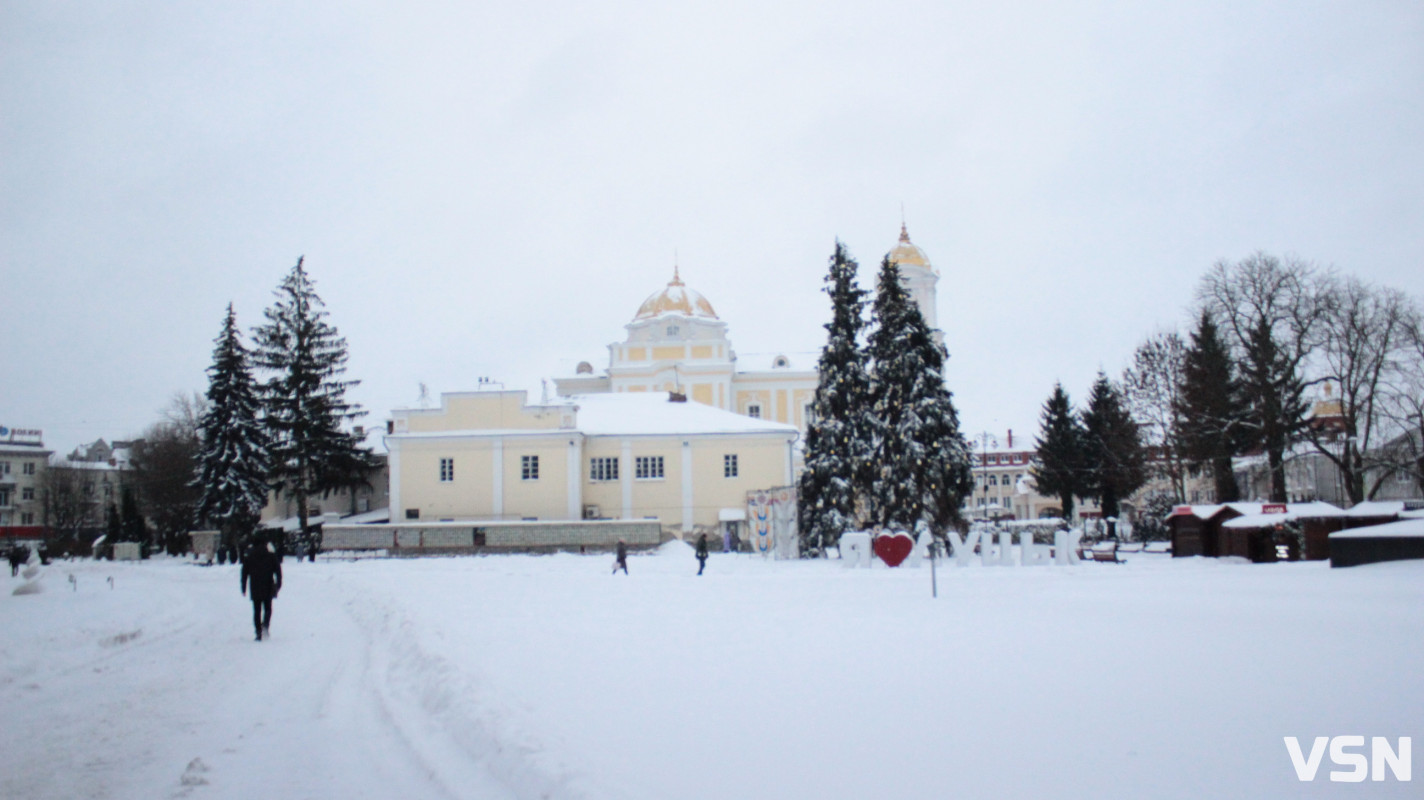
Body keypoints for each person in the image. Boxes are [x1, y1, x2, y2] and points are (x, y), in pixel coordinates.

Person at [240, 534, 283, 641]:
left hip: (255, 586)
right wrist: (278, 584)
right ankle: (265, 625)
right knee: (268, 608)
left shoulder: (250, 557)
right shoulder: (271, 556)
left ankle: (258, 632)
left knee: (257, 610)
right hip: (268, 585)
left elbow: (244, 573)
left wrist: (244, 587)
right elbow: (278, 571)